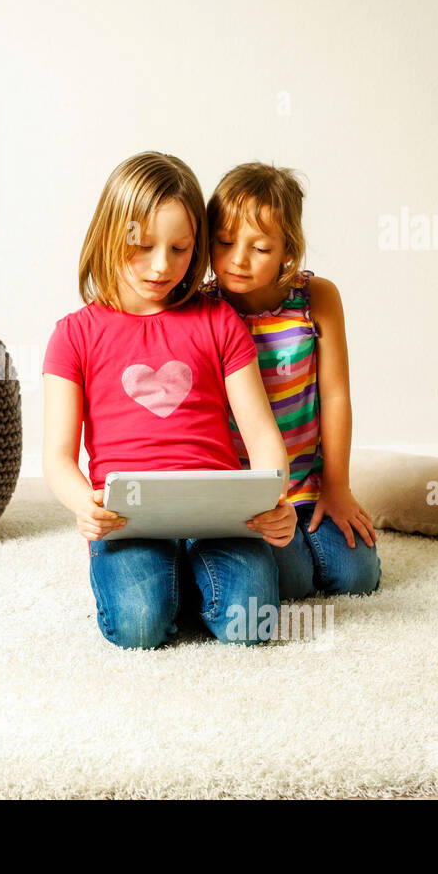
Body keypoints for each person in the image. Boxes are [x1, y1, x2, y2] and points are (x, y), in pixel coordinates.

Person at [42, 151, 296, 649]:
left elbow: (262, 434)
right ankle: (175, 581)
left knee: (251, 626)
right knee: (138, 628)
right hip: (128, 519)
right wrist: (84, 505)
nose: (162, 267)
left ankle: (190, 578)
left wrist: (275, 498)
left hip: (218, 513)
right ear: (110, 233)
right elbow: (56, 456)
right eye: (143, 246)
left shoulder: (218, 322)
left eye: (180, 249)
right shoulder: (73, 335)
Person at [201, 162, 381, 601]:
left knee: (356, 578)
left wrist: (338, 487)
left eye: (259, 248)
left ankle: (320, 515)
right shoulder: (204, 309)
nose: (238, 260)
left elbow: (336, 396)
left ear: (287, 249)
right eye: (224, 243)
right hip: (249, 492)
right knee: (295, 582)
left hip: (309, 481)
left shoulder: (317, 299)